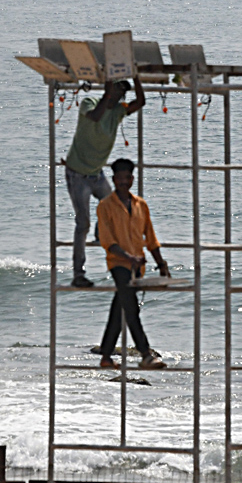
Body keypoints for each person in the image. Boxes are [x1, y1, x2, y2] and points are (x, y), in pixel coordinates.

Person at [64, 78, 145, 287]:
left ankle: (101, 235)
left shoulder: (118, 111)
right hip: (78, 173)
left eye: (121, 92)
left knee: (115, 205)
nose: (119, 94)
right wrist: (107, 93)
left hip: (96, 173)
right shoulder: (90, 102)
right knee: (83, 223)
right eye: (117, 88)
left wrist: (136, 78)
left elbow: (141, 102)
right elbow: (95, 116)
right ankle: (78, 274)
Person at [96, 157, 168, 370]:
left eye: (127, 178)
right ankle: (145, 354)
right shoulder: (105, 206)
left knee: (120, 310)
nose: (123, 182)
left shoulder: (140, 205)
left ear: (132, 179)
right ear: (114, 179)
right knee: (131, 309)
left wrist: (162, 264)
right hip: (119, 265)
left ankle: (106, 356)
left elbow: (151, 238)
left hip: (138, 268)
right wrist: (129, 257)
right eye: (119, 178)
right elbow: (108, 241)